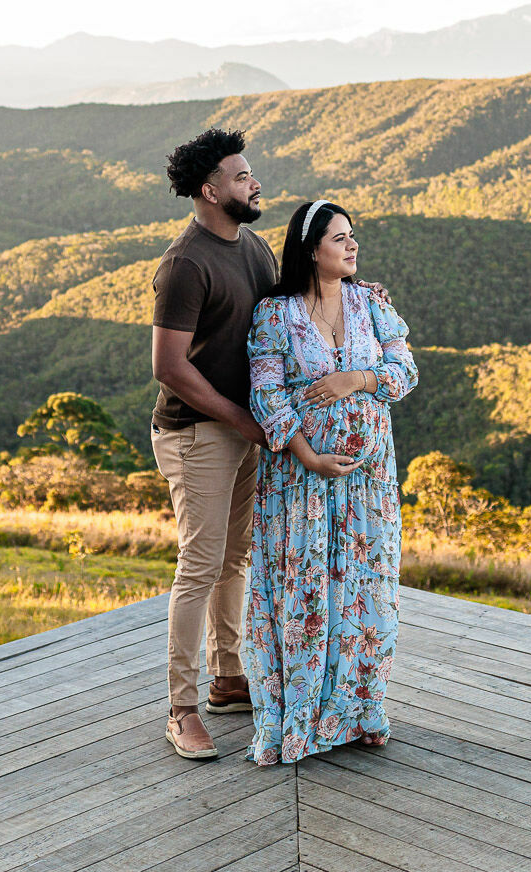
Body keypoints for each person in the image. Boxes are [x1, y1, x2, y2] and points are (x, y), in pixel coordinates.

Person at [243, 199, 417, 764]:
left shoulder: (373, 303)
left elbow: (404, 372)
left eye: (353, 236)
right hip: (301, 484)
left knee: (364, 589)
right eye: (339, 238)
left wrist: (355, 378)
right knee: (309, 589)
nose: (352, 245)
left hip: (368, 482)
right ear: (310, 248)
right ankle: (304, 714)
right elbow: (265, 392)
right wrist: (307, 455)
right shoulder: (277, 313)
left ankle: (361, 710)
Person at [149, 127, 278, 760]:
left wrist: (358, 298)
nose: (254, 182)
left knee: (235, 558)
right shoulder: (185, 263)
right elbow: (170, 367)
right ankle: (181, 708)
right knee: (199, 566)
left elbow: (287, 318)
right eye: (241, 176)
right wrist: (241, 420)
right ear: (209, 190)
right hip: (196, 432)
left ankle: (230, 679)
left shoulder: (254, 249)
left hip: (241, 428)